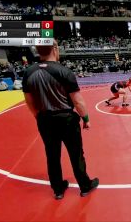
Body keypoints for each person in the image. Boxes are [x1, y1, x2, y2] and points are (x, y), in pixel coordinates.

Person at [22, 40, 99, 199]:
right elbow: (78, 101)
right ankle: (84, 186)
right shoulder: (64, 72)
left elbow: (29, 101)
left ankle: (58, 189)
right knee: (76, 153)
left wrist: (38, 116)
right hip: (66, 120)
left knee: (52, 154)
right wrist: (86, 118)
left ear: (38, 50)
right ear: (55, 49)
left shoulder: (29, 72)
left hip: (44, 119)